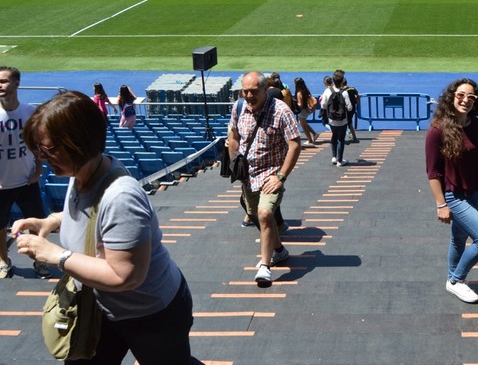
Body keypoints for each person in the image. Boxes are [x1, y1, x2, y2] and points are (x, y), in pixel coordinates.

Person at [12, 91, 195, 363]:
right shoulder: (83, 172)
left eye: (49, 149)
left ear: (79, 143)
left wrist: (55, 255)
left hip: (150, 314)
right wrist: (50, 221)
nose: (42, 157)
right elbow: (90, 216)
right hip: (102, 307)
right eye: (37, 149)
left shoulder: (121, 197)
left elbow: (124, 276)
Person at [227, 71, 302, 286]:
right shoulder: (239, 107)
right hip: (248, 176)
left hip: (270, 175)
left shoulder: (281, 110)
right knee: (256, 216)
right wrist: (235, 161)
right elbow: (233, 136)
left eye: (253, 92)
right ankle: (278, 250)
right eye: (245, 91)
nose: (248, 96)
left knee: (265, 212)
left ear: (264, 90)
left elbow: (295, 144)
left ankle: (265, 267)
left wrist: (281, 176)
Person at [425, 78, 478, 304]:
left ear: (476, 101)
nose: (465, 100)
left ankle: (451, 280)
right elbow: (433, 172)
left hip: (474, 191)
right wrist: (441, 204)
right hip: (453, 194)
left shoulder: (476, 126)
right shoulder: (438, 130)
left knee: (459, 239)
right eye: (461, 95)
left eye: (471, 97)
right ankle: (457, 280)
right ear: (452, 96)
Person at [0, 66, 50, 279]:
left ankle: (39, 260)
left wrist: (38, 170)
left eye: (3, 81)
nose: (0, 85)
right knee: (0, 227)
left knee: (36, 223)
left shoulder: (30, 112)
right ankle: (3, 260)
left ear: (17, 83)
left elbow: (38, 145)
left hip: (27, 181)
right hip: (1, 185)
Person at [320, 71, 353, 167]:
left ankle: (334, 157)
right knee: (341, 139)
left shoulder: (327, 91)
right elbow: (350, 107)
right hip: (342, 119)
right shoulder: (344, 93)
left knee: (334, 136)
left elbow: (323, 105)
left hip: (331, 119)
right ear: (342, 81)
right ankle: (340, 160)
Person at [294, 77, 318, 146]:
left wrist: (296, 103)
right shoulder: (305, 90)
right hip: (306, 110)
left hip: (302, 111)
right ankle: (314, 134)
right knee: (303, 123)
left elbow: (300, 104)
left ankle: (310, 140)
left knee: (303, 126)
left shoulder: (299, 93)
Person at [342, 77, 360, 143]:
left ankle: (354, 138)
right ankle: (353, 137)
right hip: (352, 108)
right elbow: (359, 95)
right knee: (349, 123)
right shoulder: (352, 88)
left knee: (347, 123)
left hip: (346, 109)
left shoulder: (342, 91)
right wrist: (356, 101)